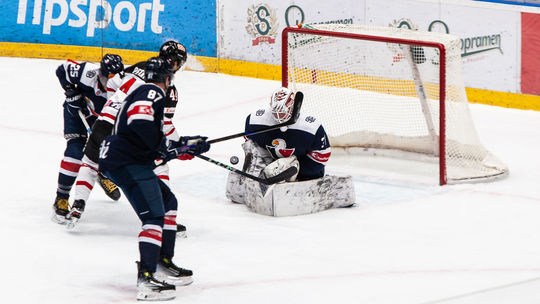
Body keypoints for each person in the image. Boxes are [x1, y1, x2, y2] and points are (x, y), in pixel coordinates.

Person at [99, 57, 210, 301]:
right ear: (167, 80)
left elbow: (152, 134)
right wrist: (166, 148)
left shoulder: (141, 91)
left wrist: (187, 144)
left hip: (124, 158)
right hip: (126, 161)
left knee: (168, 202)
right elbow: (140, 123)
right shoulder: (151, 92)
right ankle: (146, 278)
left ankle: (162, 261)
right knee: (154, 216)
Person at [67, 41, 190, 234]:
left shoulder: (140, 66)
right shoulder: (166, 85)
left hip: (103, 120)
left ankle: (77, 206)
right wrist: (180, 144)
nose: (178, 67)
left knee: (90, 163)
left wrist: (115, 105)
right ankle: (165, 216)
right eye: (177, 63)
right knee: (159, 165)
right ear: (173, 63)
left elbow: (113, 84)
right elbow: (163, 123)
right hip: (124, 130)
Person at [225, 87, 355, 216]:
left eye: (282, 113)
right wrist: (261, 163)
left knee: (290, 167)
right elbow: (251, 143)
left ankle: (296, 175)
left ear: (292, 107)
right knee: (256, 159)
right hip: (269, 163)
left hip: (301, 167)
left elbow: (322, 154)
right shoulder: (256, 120)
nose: (278, 117)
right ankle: (260, 175)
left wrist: (300, 173)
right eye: (275, 113)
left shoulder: (311, 127)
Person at [52, 54, 124, 224]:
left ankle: (101, 174)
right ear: (101, 73)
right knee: (75, 153)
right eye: (109, 77)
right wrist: (70, 91)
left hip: (102, 120)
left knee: (106, 152)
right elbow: (61, 70)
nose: (113, 82)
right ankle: (61, 197)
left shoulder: (123, 87)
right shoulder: (86, 73)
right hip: (77, 114)